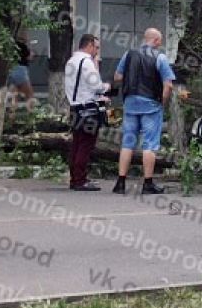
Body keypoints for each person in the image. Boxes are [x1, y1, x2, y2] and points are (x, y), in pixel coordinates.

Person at [112, 28, 175, 195]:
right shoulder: (160, 57)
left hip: (130, 102)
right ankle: (147, 183)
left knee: (127, 142)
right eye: (160, 40)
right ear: (156, 40)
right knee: (150, 144)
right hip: (151, 104)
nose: (161, 44)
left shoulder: (129, 54)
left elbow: (117, 76)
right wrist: (162, 101)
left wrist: (132, 77)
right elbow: (168, 85)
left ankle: (120, 182)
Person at [65, 34, 110, 191]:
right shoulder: (87, 62)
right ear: (89, 45)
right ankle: (80, 180)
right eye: (96, 47)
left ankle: (75, 177)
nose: (97, 51)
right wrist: (107, 87)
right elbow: (96, 85)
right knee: (86, 144)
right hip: (88, 109)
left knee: (77, 143)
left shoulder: (71, 61)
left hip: (75, 107)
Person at [6, 34, 35, 120]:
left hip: (11, 70)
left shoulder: (11, 46)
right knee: (29, 95)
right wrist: (31, 49)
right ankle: (31, 118)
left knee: (14, 96)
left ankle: (11, 118)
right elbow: (30, 57)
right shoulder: (23, 46)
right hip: (21, 70)